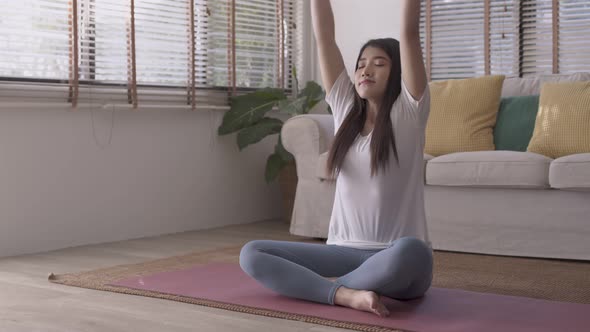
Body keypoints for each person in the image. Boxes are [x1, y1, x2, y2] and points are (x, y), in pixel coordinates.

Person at [239, 0, 432, 317]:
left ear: (396, 72)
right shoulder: (345, 110)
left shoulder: (410, 113)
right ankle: (346, 295)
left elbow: (409, 32)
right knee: (252, 253)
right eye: (361, 64)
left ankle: (319, 287)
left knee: (413, 251)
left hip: (396, 258)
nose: (365, 69)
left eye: (379, 63)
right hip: (342, 250)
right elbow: (324, 37)